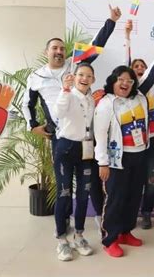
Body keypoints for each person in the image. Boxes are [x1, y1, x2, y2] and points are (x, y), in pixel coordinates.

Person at [22, 5, 121, 234]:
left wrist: (111, 21)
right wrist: (33, 126)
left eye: (61, 48)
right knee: (65, 187)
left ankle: (100, 219)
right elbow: (27, 103)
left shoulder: (75, 64)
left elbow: (96, 45)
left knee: (92, 182)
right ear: (47, 51)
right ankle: (63, 228)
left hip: (85, 137)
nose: (58, 51)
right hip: (61, 137)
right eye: (54, 48)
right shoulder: (36, 77)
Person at [94, 39, 154, 258]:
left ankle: (125, 232)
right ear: (113, 82)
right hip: (118, 160)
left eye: (129, 80)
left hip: (140, 156)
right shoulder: (106, 103)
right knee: (116, 199)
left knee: (134, 196)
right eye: (121, 80)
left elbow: (152, 74)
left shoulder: (139, 97)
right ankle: (109, 238)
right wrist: (103, 162)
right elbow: (100, 135)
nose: (125, 83)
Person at [51, 62, 96, 261]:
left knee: (84, 194)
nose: (84, 78)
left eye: (88, 75)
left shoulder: (92, 99)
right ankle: (62, 239)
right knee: (64, 193)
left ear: (93, 79)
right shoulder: (68, 94)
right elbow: (57, 114)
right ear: (74, 76)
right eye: (81, 75)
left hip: (86, 150)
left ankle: (79, 235)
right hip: (66, 148)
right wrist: (64, 90)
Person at [123, 19, 154, 229]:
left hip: (153, 140)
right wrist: (127, 37)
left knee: (151, 179)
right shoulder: (128, 90)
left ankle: (147, 213)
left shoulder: (150, 85)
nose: (139, 69)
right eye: (135, 67)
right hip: (132, 142)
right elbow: (126, 60)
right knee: (132, 181)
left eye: (142, 67)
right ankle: (130, 213)